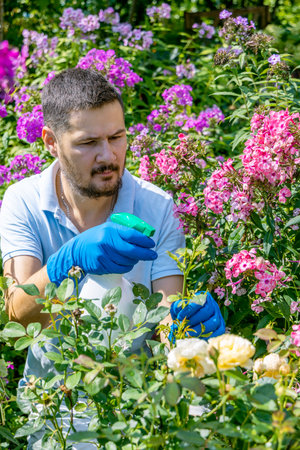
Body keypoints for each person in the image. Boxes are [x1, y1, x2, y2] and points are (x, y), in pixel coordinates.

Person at [0, 68, 224, 377]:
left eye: (116, 137)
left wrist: (186, 328)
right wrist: (67, 260)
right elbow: (18, 318)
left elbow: (163, 319)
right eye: (88, 142)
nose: (108, 155)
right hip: (51, 408)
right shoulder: (23, 201)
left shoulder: (157, 207)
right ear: (51, 141)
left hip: (135, 403)